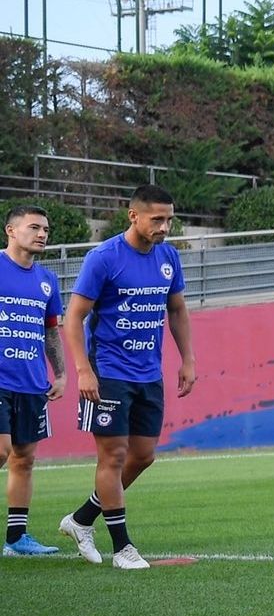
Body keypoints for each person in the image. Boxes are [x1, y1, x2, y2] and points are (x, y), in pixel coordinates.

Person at [58, 185, 196, 570]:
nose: (165, 227)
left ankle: (82, 519)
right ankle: (122, 549)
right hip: (108, 371)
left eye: (169, 219)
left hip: (148, 373)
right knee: (114, 455)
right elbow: (73, 317)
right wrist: (84, 369)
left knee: (143, 455)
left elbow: (178, 310)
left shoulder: (168, 257)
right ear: (132, 216)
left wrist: (188, 359)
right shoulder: (103, 258)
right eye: (157, 219)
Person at [1, 205, 65, 557]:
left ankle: (16, 539)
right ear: (11, 230)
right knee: (2, 450)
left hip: (31, 382)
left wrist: (62, 373)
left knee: (23, 459)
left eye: (46, 229)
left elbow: (51, 331)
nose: (42, 234)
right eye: (34, 227)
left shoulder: (47, 280)